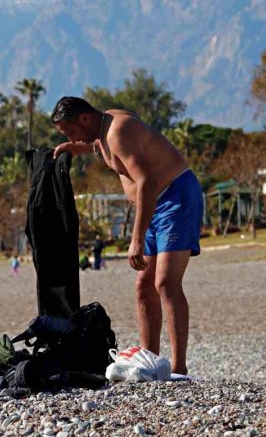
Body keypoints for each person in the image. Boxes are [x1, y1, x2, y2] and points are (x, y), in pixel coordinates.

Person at [51, 96, 202, 375]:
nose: (74, 137)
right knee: (143, 286)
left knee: (166, 282)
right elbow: (101, 146)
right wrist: (76, 147)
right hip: (155, 205)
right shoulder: (101, 129)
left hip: (175, 198)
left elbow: (146, 182)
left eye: (71, 132)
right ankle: (150, 362)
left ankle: (179, 369)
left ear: (84, 119)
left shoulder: (118, 130)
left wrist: (135, 238)